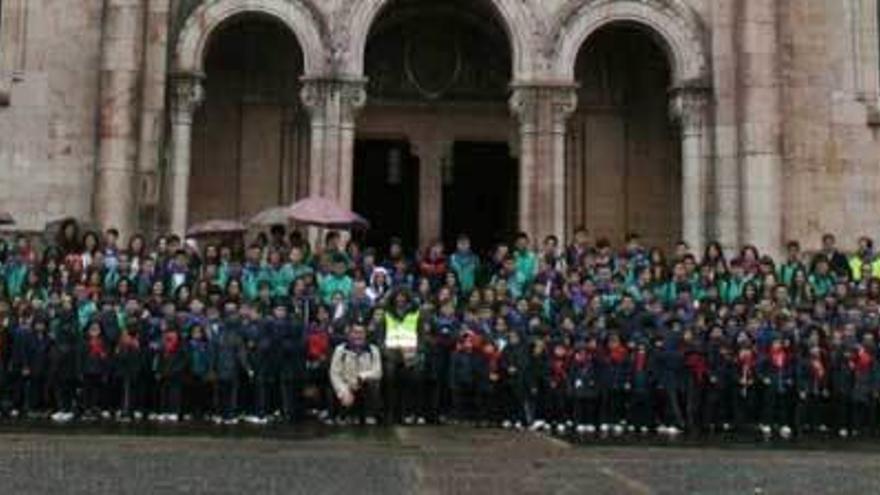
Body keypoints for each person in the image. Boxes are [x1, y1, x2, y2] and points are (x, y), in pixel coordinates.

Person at [329, 320, 382, 425]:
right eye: (355, 332)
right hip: (347, 387)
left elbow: (378, 371)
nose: (358, 336)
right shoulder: (340, 350)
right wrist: (343, 391)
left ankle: (369, 415)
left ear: (365, 334)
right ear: (349, 334)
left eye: (361, 332)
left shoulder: (373, 350)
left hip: (363, 386)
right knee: (334, 390)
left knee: (373, 384)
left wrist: (362, 376)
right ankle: (343, 415)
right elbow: (334, 374)